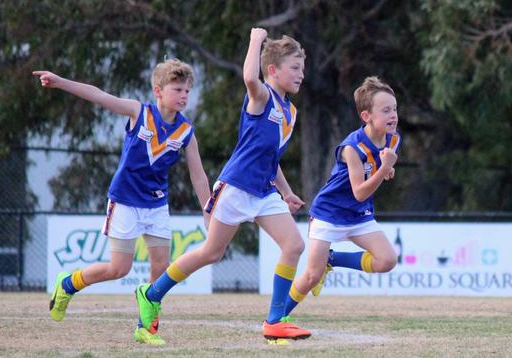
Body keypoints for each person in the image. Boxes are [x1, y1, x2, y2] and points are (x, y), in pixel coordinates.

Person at [133, 27, 310, 345]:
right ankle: (151, 293)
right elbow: (249, 78)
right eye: (294, 68)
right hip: (237, 187)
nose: (301, 74)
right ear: (272, 70)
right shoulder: (262, 96)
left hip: (264, 190)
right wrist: (255, 40)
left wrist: (285, 191)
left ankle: (275, 321)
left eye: (302, 68)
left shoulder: (290, 111)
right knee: (211, 252)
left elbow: (271, 156)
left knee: (295, 245)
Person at [33, 58, 211, 345]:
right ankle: (67, 284)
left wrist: (208, 212)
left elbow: (199, 176)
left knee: (160, 268)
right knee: (119, 269)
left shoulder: (186, 132)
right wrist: (60, 81)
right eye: (177, 89)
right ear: (158, 90)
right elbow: (99, 95)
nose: (184, 96)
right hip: (125, 201)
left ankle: (146, 328)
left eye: (187, 91)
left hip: (156, 205)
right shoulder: (139, 112)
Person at [283, 76, 400, 321]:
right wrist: (384, 167)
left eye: (395, 109)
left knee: (387, 260)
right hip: (329, 213)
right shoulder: (351, 148)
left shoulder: (393, 139)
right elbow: (359, 191)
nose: (393, 115)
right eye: (386, 110)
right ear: (366, 116)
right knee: (311, 276)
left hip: (358, 215)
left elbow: (378, 170)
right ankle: (276, 318)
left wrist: (386, 168)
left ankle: (332, 259)